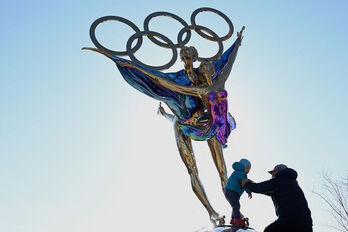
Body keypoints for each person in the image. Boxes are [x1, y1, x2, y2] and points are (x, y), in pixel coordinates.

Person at [241, 164, 313, 232]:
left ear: (277, 172)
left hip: (290, 220)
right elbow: (264, 190)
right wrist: (250, 183)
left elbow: (259, 188)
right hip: (306, 223)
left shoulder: (278, 181)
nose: (272, 175)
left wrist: (246, 183)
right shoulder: (293, 183)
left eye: (273, 172)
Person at [224, 158, 252, 227]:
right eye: (247, 168)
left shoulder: (237, 172)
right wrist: (249, 192)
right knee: (236, 206)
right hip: (232, 192)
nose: (248, 170)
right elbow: (244, 184)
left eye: (249, 169)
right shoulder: (241, 173)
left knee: (235, 206)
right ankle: (237, 220)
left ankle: (233, 219)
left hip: (230, 192)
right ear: (243, 167)